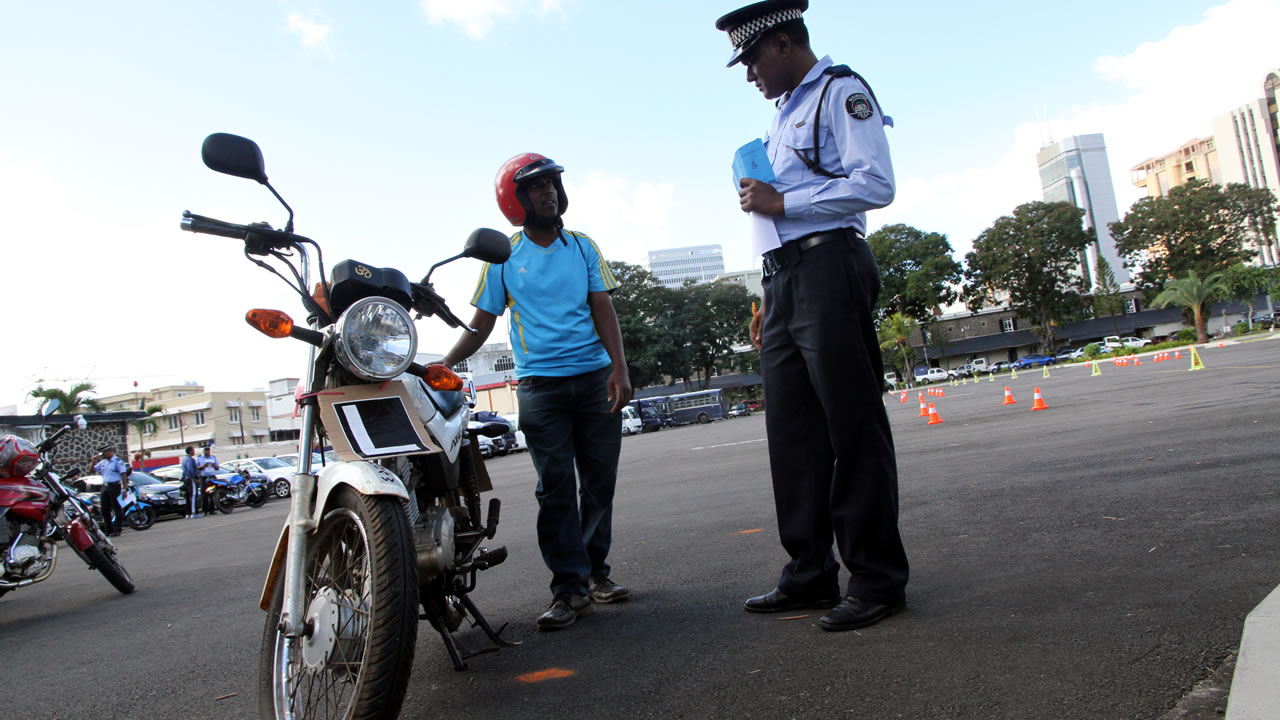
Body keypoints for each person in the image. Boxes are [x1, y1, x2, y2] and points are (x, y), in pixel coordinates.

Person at [715, 0, 909, 631]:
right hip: (786, 280)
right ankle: (809, 573)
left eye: (750, 60)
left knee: (851, 425)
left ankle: (876, 579)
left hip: (831, 267)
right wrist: (767, 297)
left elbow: (875, 183)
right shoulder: (780, 117)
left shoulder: (840, 92)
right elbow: (773, 215)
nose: (749, 75)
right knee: (792, 435)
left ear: (780, 44)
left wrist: (784, 199)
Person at [441, 153, 633, 631]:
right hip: (539, 387)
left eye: (552, 184)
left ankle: (596, 577)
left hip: (594, 379)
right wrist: (441, 364)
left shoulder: (582, 246)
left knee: (598, 484)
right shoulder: (502, 257)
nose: (549, 192)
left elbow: (602, 308)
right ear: (516, 199)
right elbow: (481, 325)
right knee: (555, 488)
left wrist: (619, 369)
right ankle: (569, 588)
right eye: (537, 186)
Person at [91, 444, 131, 537]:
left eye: (103, 454)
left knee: (117, 508)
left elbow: (123, 476)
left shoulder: (118, 462)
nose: (102, 456)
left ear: (109, 452)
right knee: (104, 509)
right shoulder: (103, 462)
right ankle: (107, 530)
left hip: (115, 486)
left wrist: (124, 489)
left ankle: (117, 529)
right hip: (105, 486)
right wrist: (92, 462)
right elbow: (92, 470)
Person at [195, 445, 220, 515]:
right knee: (204, 494)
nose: (208, 452)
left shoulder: (213, 457)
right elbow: (196, 467)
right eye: (206, 451)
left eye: (208, 451)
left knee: (212, 493)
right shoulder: (199, 458)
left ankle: (212, 509)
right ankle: (204, 510)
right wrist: (203, 466)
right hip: (204, 478)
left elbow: (217, 468)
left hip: (211, 477)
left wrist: (214, 466)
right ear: (203, 451)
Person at [180, 446, 202, 519]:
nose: (194, 452)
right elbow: (190, 469)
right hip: (190, 479)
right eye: (193, 450)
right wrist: (194, 478)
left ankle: (188, 513)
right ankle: (193, 512)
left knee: (188, 496)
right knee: (193, 495)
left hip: (186, 479)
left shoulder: (184, 459)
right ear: (190, 451)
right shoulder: (190, 459)